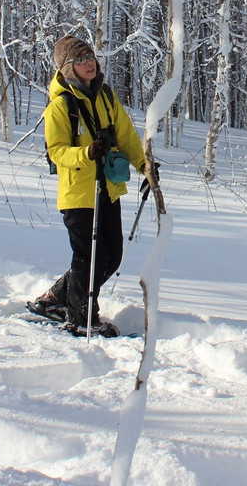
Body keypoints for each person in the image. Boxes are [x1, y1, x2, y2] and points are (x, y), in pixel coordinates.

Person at [27, 35, 148, 338]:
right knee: (89, 257)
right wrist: (86, 153)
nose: (89, 63)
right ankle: (81, 318)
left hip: (108, 187)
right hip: (79, 193)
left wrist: (145, 165)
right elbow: (56, 151)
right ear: (68, 68)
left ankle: (56, 298)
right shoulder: (60, 106)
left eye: (90, 55)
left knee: (112, 255)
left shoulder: (106, 96)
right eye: (80, 59)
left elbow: (127, 136)